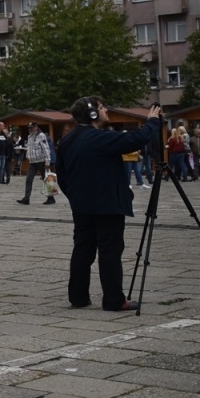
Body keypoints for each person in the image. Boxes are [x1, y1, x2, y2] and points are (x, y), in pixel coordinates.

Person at [55, 98, 163, 311]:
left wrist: (75, 196)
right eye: (102, 108)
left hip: (81, 205)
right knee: (110, 251)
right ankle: (113, 300)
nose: (106, 111)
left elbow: (62, 176)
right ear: (92, 114)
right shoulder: (99, 137)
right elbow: (136, 139)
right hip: (107, 205)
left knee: (83, 250)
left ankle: (78, 297)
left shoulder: (67, 140)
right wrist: (152, 122)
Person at [16, 126, 53, 205]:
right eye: (29, 128)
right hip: (32, 162)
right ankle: (26, 198)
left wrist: (47, 162)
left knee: (46, 179)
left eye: (32, 128)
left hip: (41, 161)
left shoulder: (41, 135)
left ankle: (51, 198)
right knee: (29, 180)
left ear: (36, 128)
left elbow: (46, 149)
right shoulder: (29, 137)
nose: (30, 129)